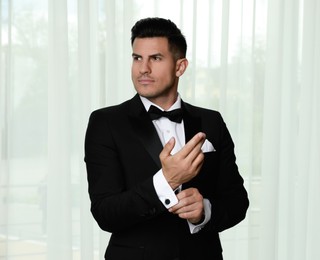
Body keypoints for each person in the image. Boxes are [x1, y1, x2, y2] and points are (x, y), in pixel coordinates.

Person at [84, 17, 249, 260]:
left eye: (156, 58)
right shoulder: (105, 123)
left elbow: (237, 202)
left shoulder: (211, 121)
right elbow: (105, 213)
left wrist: (204, 211)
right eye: (137, 58)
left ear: (180, 67)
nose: (143, 69)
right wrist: (166, 181)